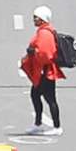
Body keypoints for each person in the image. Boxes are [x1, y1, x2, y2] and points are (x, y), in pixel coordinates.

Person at [19, 7, 63, 135]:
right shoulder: (44, 31)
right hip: (43, 72)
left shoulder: (44, 33)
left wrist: (33, 52)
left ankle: (56, 127)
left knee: (50, 99)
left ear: (42, 19)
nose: (34, 19)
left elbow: (46, 54)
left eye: (36, 17)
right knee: (36, 95)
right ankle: (38, 123)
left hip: (45, 72)